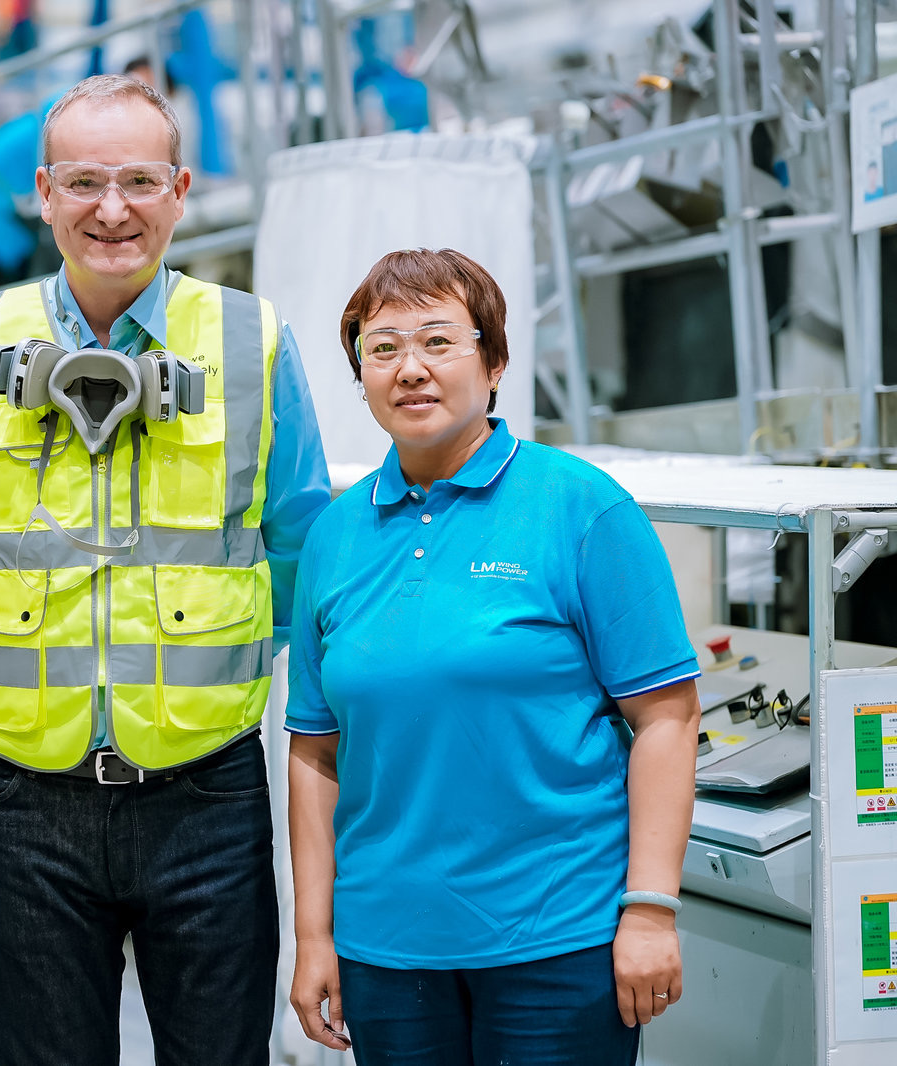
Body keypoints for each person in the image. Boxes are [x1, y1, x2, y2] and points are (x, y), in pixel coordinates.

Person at [0, 74, 331, 1065]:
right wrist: (13, 678)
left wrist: (198, 676)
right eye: (84, 182)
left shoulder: (250, 343)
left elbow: (302, 548)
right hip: (21, 797)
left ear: (180, 189)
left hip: (205, 791)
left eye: (139, 180)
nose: (112, 209)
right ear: (41, 193)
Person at [285, 248, 701, 1066]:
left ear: (495, 360)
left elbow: (667, 717)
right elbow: (314, 751)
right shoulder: (334, 538)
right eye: (383, 348)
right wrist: (313, 936)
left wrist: (650, 910)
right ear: (361, 374)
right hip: (387, 951)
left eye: (438, 341)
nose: (410, 369)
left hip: (557, 940)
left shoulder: (580, 507)